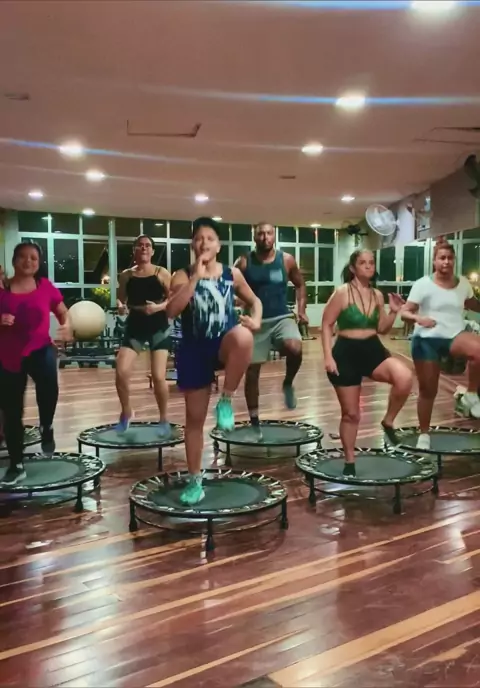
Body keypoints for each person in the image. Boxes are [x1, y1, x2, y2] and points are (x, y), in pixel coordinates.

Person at [166, 217, 262, 506]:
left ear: (218, 246)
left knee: (244, 337)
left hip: (223, 344)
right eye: (198, 238)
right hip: (194, 349)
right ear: (193, 245)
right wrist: (195, 277)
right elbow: (171, 311)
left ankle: (226, 400)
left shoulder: (232, 274)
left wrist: (256, 319)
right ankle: (195, 481)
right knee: (194, 420)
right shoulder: (182, 275)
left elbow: (255, 301)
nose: (203, 243)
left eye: (209, 238)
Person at [322, 249, 412, 476]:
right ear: (353, 268)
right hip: (346, 353)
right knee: (351, 414)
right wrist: (328, 356)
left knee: (404, 377)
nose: (369, 266)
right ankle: (349, 462)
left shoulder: (377, 295)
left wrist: (393, 312)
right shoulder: (342, 293)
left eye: (371, 262)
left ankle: (388, 422)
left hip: (372, 349)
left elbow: (382, 329)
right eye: (363, 263)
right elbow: (326, 324)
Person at [0, 241, 71, 485]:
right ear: (14, 260)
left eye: (33, 258)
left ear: (39, 263)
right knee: (12, 411)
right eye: (23, 256)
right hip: (8, 355)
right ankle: (16, 465)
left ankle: (46, 426)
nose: (28, 261)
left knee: (49, 390)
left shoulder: (45, 286)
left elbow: (63, 311)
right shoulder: (2, 288)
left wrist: (67, 326)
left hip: (41, 349)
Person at [401, 237, 480, 449]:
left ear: (454, 260)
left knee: (479, 349)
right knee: (428, 390)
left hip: (454, 335)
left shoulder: (463, 284)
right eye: (442, 258)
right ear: (434, 261)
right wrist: (419, 318)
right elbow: (405, 312)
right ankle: (424, 434)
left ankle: (471, 395)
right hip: (426, 340)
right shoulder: (422, 285)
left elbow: (474, 305)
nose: (446, 262)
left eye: (450, 258)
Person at [235, 222, 306, 437]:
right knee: (252, 372)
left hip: (281, 317)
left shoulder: (286, 260)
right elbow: (232, 287)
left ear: (274, 236)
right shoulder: (244, 262)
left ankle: (288, 383)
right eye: (260, 234)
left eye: (269, 233)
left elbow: (300, 284)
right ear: (254, 237)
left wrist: (301, 310)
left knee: (295, 347)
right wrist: (238, 303)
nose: (265, 237)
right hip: (255, 321)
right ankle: (255, 422)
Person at [116, 235, 172, 437]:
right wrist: (120, 307)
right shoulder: (126, 275)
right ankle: (126, 411)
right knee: (121, 371)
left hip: (158, 326)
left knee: (158, 376)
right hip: (135, 326)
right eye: (140, 245)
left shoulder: (161, 272)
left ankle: (164, 418)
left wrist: (158, 307)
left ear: (153, 251)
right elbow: (121, 299)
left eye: (148, 246)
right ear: (134, 250)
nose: (144, 248)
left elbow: (173, 299)